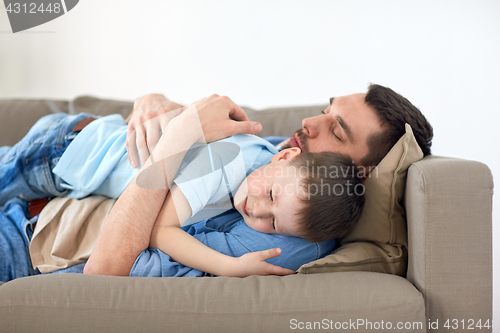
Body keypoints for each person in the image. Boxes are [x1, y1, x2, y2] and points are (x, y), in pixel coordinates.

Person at [83, 84, 432, 277]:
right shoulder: (274, 154)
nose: (309, 122)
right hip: (84, 140)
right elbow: (183, 128)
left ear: (362, 174)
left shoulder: (299, 233)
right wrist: (154, 101)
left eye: (336, 131)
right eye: (327, 111)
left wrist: (179, 134)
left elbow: (107, 272)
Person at [0, 96, 364, 281]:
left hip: (55, 203)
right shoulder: (231, 158)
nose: (257, 211)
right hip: (69, 152)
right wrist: (230, 266)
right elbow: (160, 230)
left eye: (273, 225)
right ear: (286, 158)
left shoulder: (302, 197)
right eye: (270, 198)